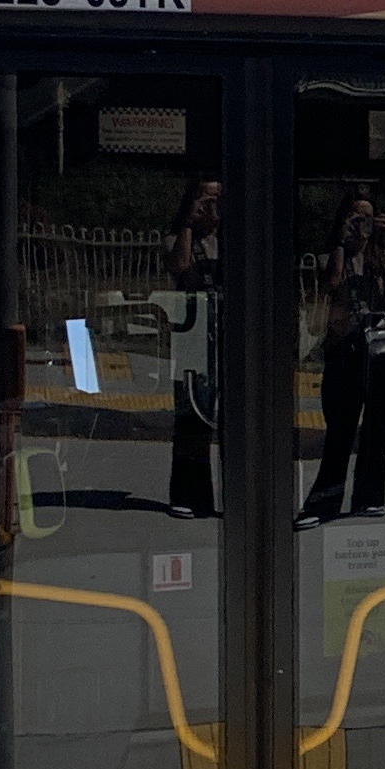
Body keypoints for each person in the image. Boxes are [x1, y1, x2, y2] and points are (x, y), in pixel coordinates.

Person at [301, 188, 385, 525]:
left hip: (379, 353)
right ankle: (324, 502)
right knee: (340, 427)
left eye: (366, 218)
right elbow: (332, 283)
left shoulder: (381, 259)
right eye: (354, 217)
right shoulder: (329, 256)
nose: (360, 225)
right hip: (344, 351)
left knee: (377, 425)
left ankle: (369, 496)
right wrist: (342, 242)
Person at [163, 179, 222, 519]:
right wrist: (188, 221)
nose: (213, 205)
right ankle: (187, 493)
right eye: (206, 197)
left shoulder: (229, 243)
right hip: (192, 336)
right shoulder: (178, 239)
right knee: (192, 417)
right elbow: (179, 266)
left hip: (224, 336)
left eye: (218, 198)